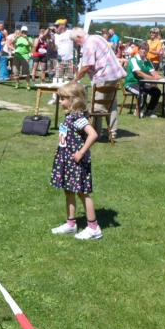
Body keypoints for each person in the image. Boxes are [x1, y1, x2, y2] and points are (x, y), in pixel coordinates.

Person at [49, 81, 102, 240]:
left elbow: (93, 134)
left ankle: (94, 228)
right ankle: (71, 224)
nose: (60, 101)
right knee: (69, 190)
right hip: (67, 160)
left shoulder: (78, 118)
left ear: (73, 100)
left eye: (63, 98)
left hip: (76, 162)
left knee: (82, 193)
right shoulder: (69, 116)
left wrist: (81, 152)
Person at [71, 27, 127, 141]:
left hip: (103, 76)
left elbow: (87, 65)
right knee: (111, 105)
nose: (77, 44)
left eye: (76, 41)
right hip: (114, 74)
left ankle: (95, 133)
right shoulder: (97, 37)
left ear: (79, 37)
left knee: (97, 106)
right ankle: (112, 132)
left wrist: (75, 79)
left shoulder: (88, 44)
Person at [124, 43, 163, 118]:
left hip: (143, 84)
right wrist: (152, 78)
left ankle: (149, 111)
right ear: (139, 50)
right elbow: (139, 73)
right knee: (142, 93)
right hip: (131, 84)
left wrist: (164, 79)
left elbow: (154, 73)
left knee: (157, 92)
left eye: (146, 49)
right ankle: (139, 111)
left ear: (148, 51)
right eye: (142, 49)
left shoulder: (148, 61)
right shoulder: (133, 59)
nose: (144, 51)